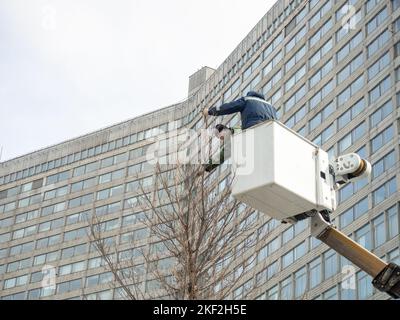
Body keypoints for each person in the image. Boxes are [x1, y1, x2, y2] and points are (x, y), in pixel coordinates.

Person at [203, 91, 278, 130]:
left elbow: (229, 107)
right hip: (270, 131)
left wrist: (210, 111)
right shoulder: (271, 107)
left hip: (253, 129)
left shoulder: (247, 100)